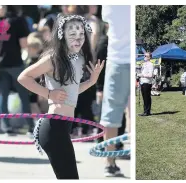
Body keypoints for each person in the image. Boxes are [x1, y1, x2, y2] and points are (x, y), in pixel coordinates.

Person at [17, 14, 104, 179]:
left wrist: (92, 82)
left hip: (63, 127)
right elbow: (23, 77)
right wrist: (49, 93)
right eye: (72, 35)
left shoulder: (78, 60)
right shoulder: (53, 58)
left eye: (81, 35)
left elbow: (70, 94)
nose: (78, 40)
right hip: (54, 127)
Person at [0, 5, 33, 135]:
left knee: (2, 95)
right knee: (23, 95)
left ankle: (6, 127)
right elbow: (24, 44)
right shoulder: (18, 20)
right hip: (16, 62)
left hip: (0, 63)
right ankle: (30, 127)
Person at [99, 5, 131, 176]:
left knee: (111, 113)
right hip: (124, 58)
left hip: (117, 59)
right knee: (130, 114)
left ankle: (109, 162)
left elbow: (107, 24)